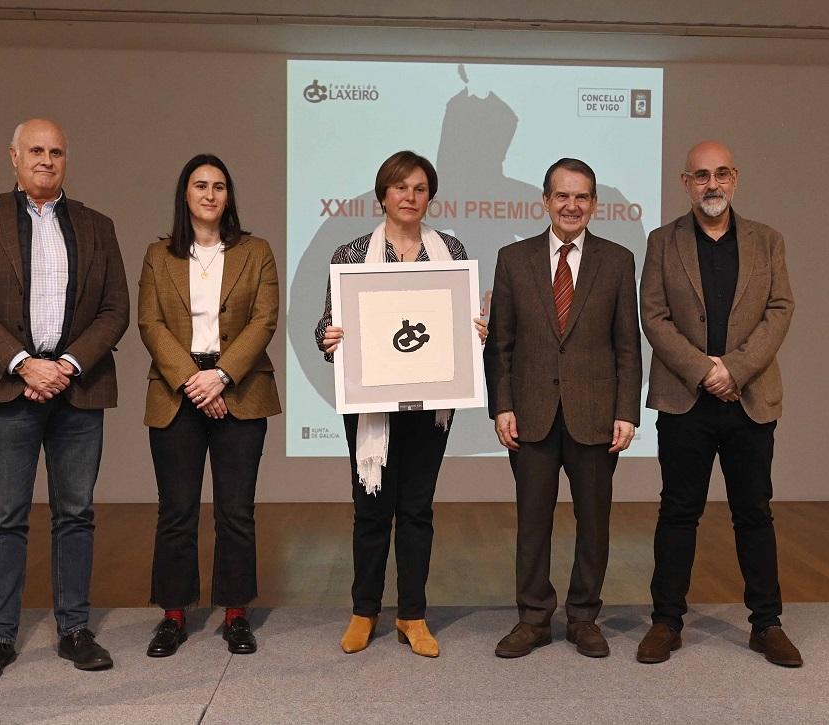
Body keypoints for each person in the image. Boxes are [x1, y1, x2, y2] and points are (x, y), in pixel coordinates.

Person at [0, 118, 129, 682]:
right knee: (5, 517)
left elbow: (115, 311)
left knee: (76, 514)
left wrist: (67, 366)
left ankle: (75, 630)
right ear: (13, 157)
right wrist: (24, 364)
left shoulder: (99, 226)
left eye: (56, 152)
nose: (47, 160)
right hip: (7, 387)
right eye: (36, 151)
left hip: (77, 388)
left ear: (66, 159)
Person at [636, 141, 800, 667]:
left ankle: (766, 624)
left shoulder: (767, 241)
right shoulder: (662, 242)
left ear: (736, 178)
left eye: (722, 174)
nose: (713, 184)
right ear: (685, 183)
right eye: (701, 175)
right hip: (686, 400)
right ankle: (666, 622)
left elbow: (779, 309)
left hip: (749, 398)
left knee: (754, 513)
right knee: (678, 512)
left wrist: (736, 369)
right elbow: (654, 317)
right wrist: (706, 370)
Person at [316, 150, 478, 658]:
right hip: (372, 404)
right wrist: (330, 338)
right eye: (401, 187)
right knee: (370, 510)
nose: (410, 197)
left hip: (430, 407)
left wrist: (475, 333)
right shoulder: (349, 255)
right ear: (383, 193)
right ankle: (364, 611)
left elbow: (460, 321)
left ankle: (412, 615)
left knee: (416, 511)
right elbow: (325, 326)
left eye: (420, 188)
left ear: (431, 196)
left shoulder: (450, 248)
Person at [484, 158, 642, 659]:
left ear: (594, 204)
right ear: (545, 201)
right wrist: (501, 405)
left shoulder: (618, 261)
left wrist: (627, 410)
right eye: (562, 196)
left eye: (582, 197)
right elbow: (501, 344)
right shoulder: (514, 259)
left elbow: (627, 346)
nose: (571, 205)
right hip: (530, 413)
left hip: (596, 414)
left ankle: (583, 617)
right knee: (533, 521)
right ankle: (533, 619)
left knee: (594, 521)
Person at [138, 154, 280, 657]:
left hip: (238, 389)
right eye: (200, 185)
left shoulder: (256, 251)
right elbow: (150, 324)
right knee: (176, 511)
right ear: (185, 194)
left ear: (229, 196)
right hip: (177, 393)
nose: (210, 194)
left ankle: (236, 613)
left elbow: (264, 320)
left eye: (219, 186)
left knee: (236, 511)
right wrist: (193, 381)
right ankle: (174, 615)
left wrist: (219, 377)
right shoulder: (159, 255)